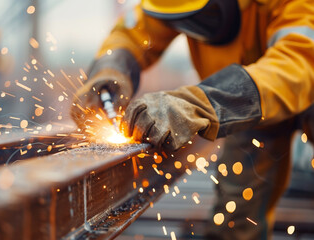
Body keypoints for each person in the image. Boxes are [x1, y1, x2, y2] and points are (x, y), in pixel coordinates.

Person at [71, 0, 314, 239]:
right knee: (237, 215)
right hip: (247, 106)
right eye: (184, 22)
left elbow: (298, 67)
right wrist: (110, 68)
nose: (192, 28)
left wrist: (198, 103)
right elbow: (132, 33)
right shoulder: (175, 4)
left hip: (293, 89)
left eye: (202, 17)